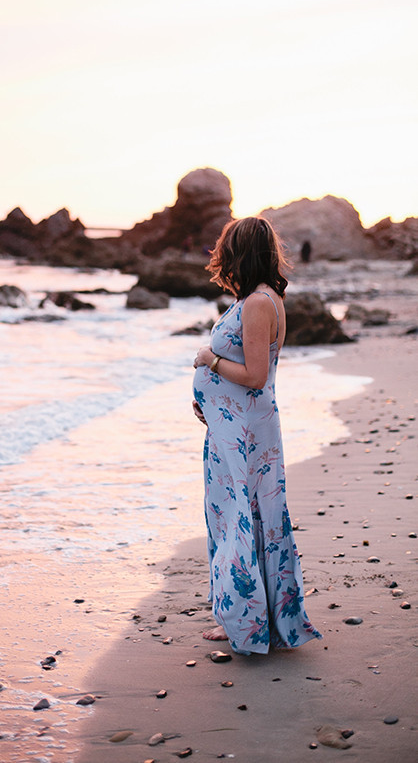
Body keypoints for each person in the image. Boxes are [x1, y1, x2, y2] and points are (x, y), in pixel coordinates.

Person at [192, 216, 321, 655]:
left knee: (240, 515)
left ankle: (246, 623)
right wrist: (210, 403)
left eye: (227, 250)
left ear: (240, 254)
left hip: (245, 432)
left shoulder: (259, 304)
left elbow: (254, 375)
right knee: (249, 513)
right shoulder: (259, 299)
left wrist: (209, 361)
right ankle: (256, 615)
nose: (222, 259)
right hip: (238, 426)